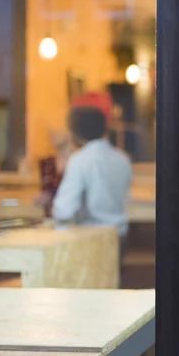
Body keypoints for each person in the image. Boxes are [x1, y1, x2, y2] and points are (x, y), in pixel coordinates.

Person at [52, 106, 132, 249]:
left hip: (92, 240)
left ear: (75, 133)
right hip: (120, 236)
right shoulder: (122, 158)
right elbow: (126, 198)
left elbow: (63, 210)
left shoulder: (80, 159)